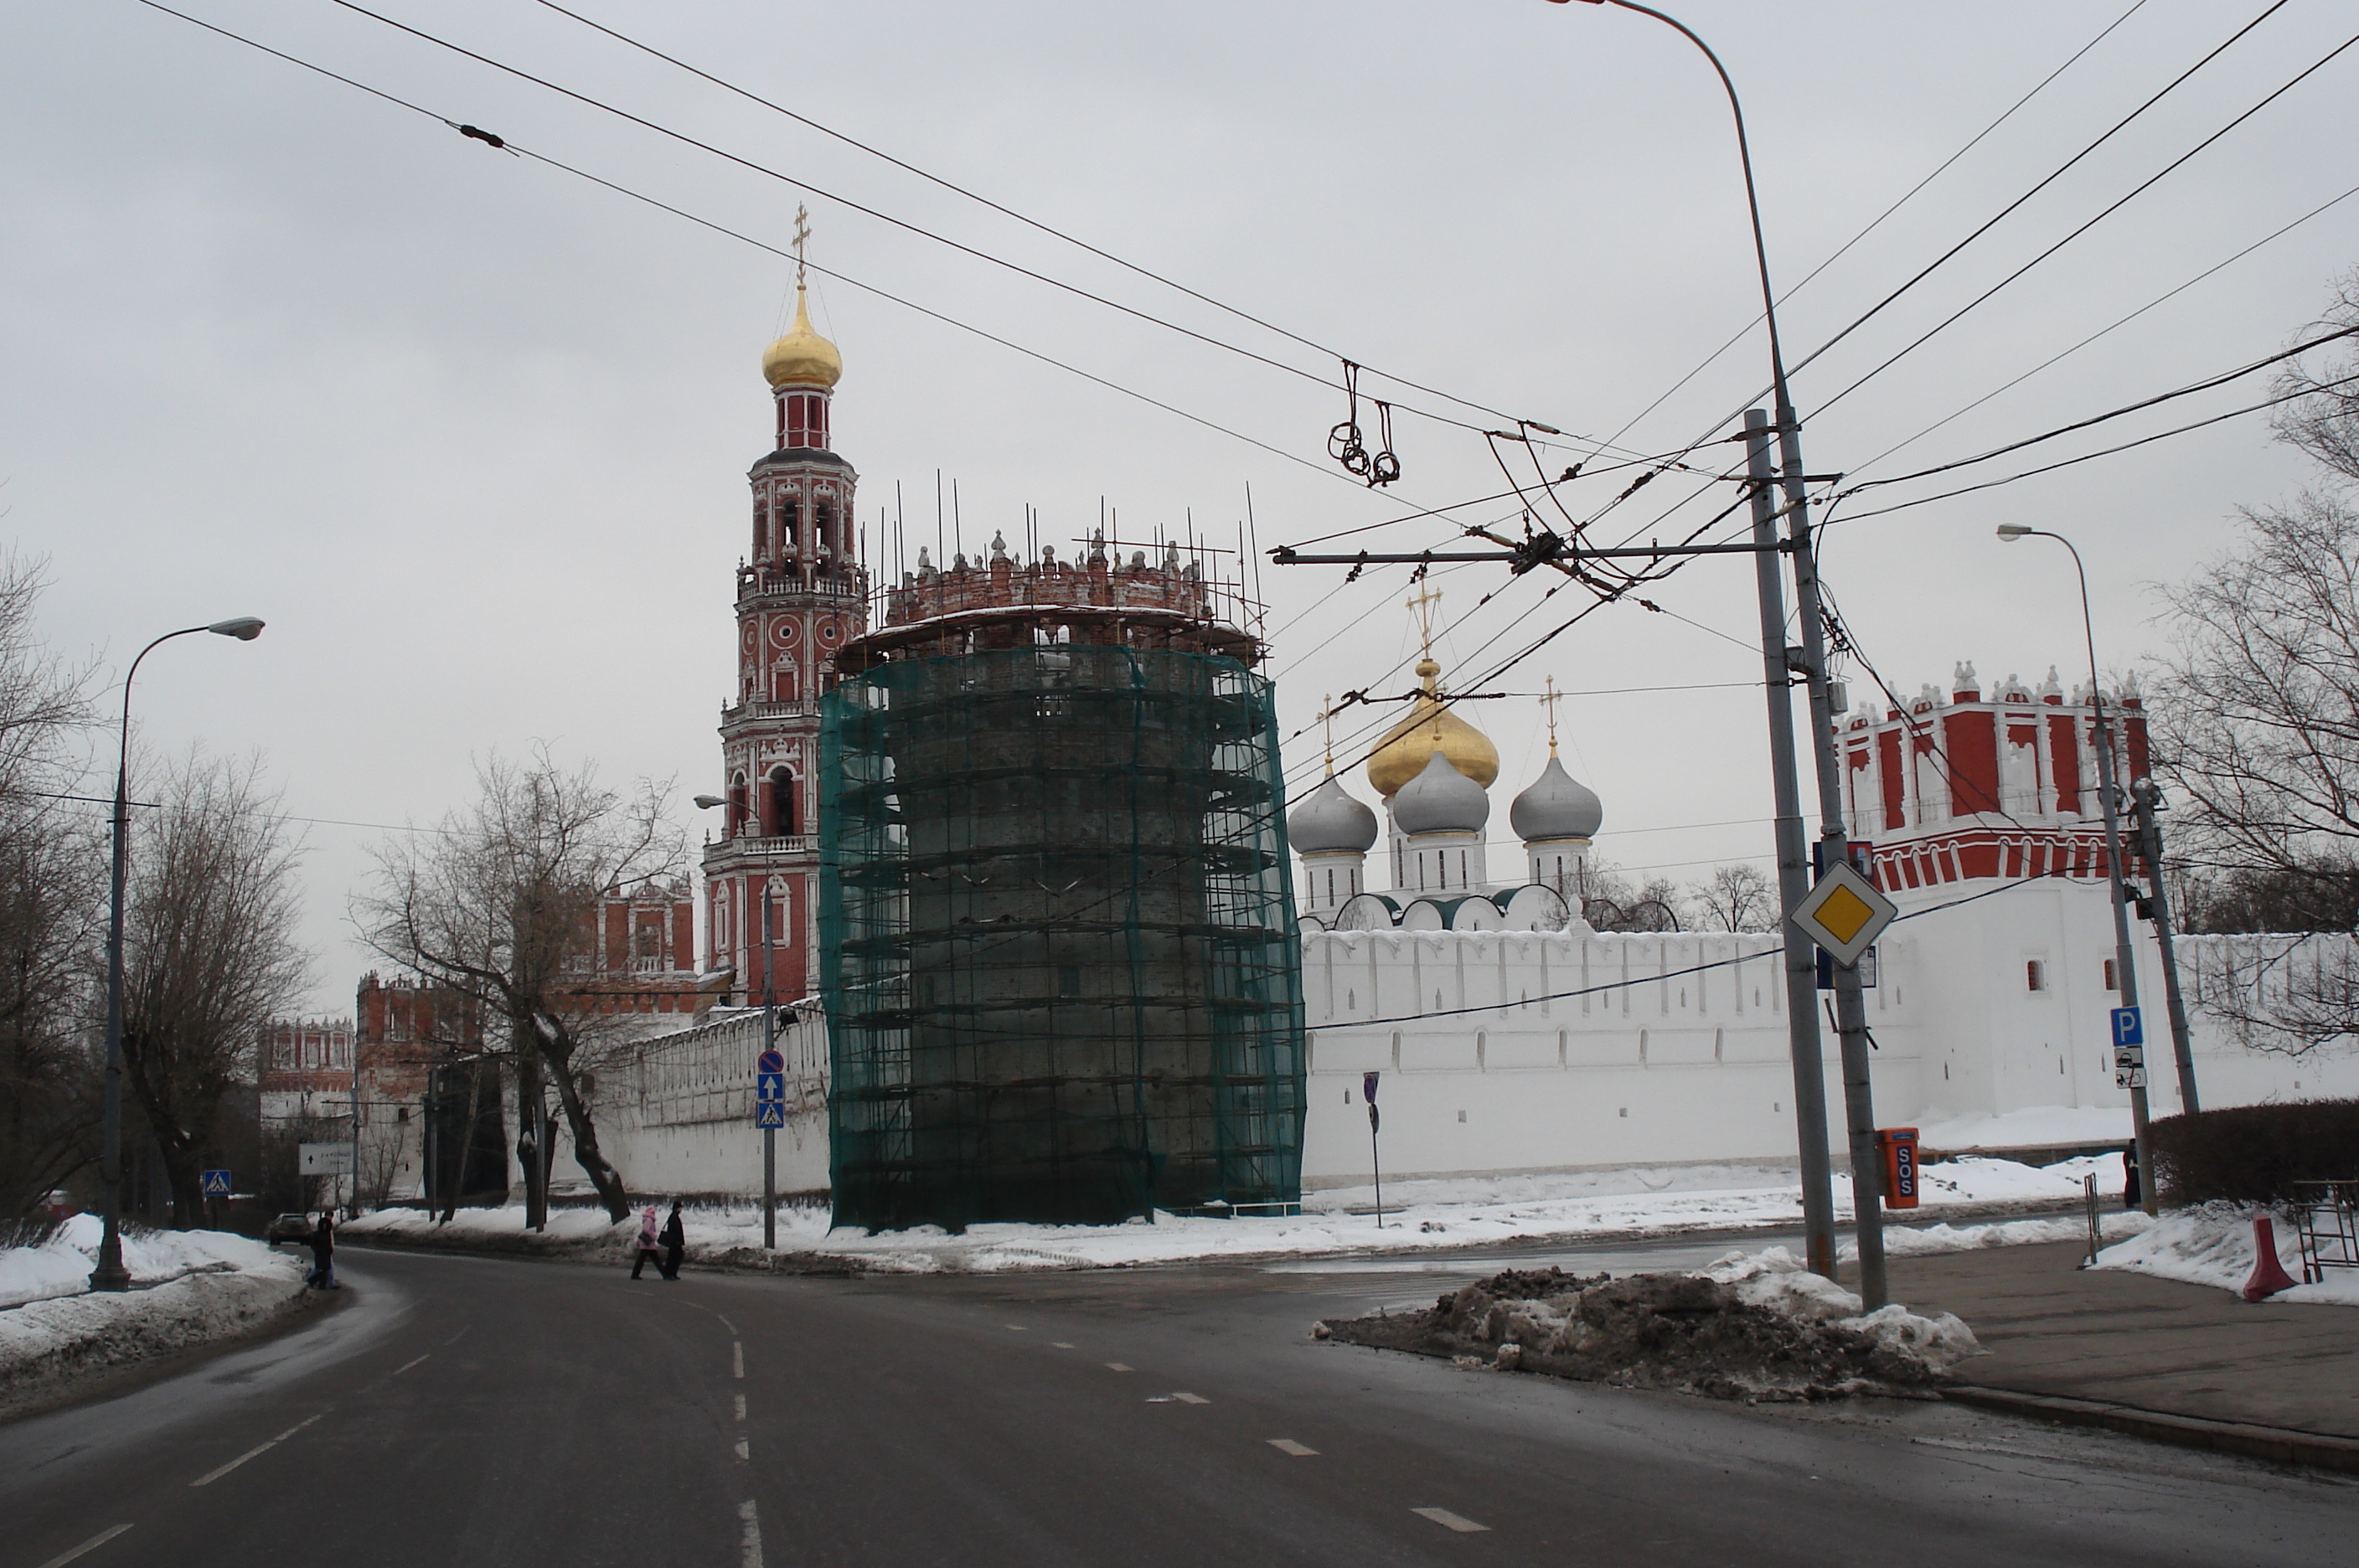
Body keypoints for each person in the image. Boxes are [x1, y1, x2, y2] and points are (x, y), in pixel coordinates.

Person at [306, 1210, 338, 1290]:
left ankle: (326, 1283)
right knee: (322, 1269)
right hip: (321, 1253)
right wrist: (318, 1250)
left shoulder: (328, 1231)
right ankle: (311, 1281)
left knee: (325, 1269)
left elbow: (330, 1241)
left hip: (326, 1253)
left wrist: (330, 1249)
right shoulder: (319, 1233)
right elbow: (313, 1243)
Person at [630, 1203, 663, 1280]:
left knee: (642, 1260)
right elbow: (646, 1230)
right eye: (653, 1212)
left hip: (646, 1243)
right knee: (656, 1260)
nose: (654, 1214)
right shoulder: (649, 1220)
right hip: (647, 1243)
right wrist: (654, 1235)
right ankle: (665, 1274)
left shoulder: (647, 1219)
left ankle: (635, 1274)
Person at [658, 1199, 685, 1282]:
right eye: (680, 1208)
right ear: (677, 1208)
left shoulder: (673, 1216)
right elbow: (676, 1231)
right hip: (675, 1241)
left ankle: (671, 1273)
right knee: (674, 1257)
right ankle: (670, 1273)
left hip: (675, 1241)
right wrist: (678, 1241)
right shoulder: (674, 1217)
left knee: (674, 1257)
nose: (681, 1209)